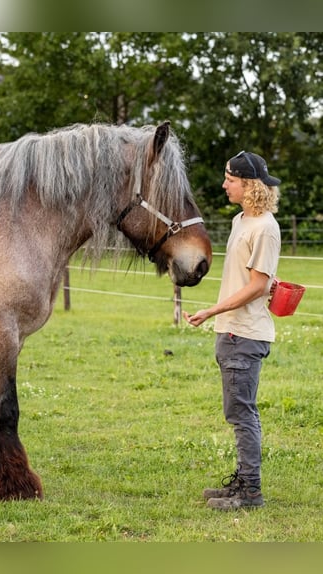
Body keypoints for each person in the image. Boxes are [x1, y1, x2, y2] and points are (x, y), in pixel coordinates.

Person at [183, 150, 281, 511]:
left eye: (231, 179)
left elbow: (256, 286)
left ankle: (251, 492)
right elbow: (256, 277)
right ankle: (241, 480)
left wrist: (211, 310)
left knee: (242, 413)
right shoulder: (242, 220)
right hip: (231, 332)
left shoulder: (265, 228)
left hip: (245, 334)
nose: (224, 184)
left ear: (249, 184)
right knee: (236, 411)